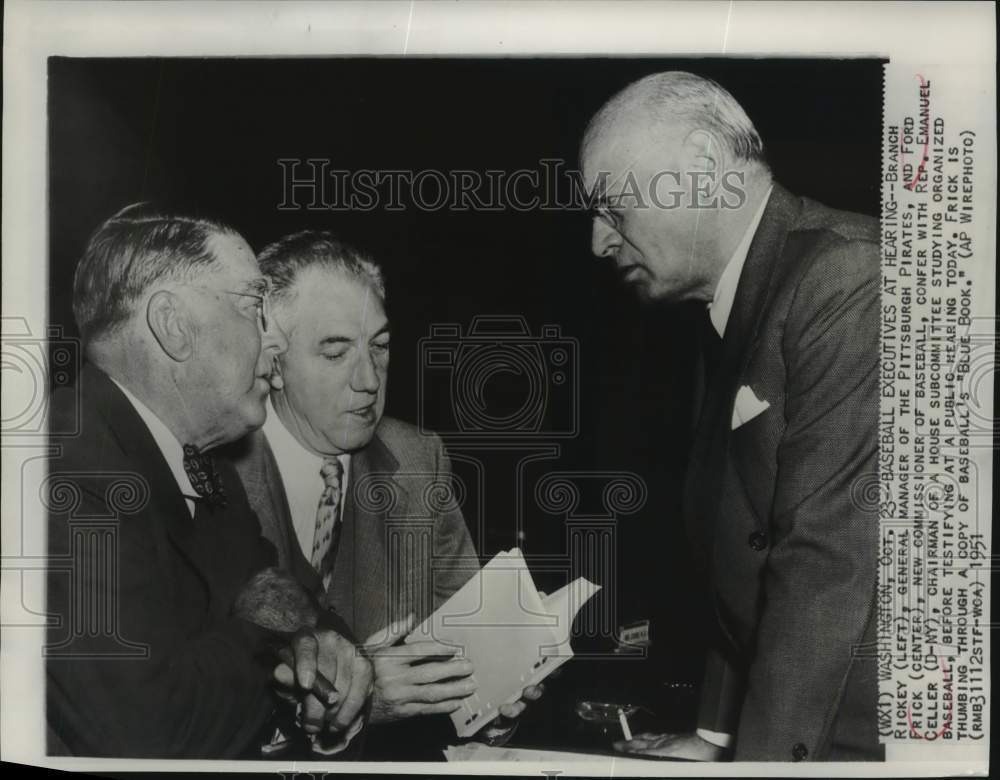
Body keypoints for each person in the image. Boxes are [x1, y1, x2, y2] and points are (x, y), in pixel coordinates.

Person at [580, 72, 880, 761]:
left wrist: (757, 768)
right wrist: (715, 736)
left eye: (612, 206)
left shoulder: (848, 278)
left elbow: (823, 569)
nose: (598, 241)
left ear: (704, 165)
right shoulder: (729, 301)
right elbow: (742, 546)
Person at [46, 205, 372, 758]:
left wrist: (319, 643)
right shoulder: (66, 474)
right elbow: (150, 735)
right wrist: (268, 635)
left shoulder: (203, 463)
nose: (275, 343)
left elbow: (279, 588)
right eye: (253, 306)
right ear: (173, 325)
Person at [223, 231, 542, 756]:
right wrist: (352, 704)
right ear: (271, 362)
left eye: (380, 346)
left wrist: (494, 704)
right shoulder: (212, 471)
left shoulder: (417, 462)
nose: (369, 380)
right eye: (335, 352)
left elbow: (471, 664)